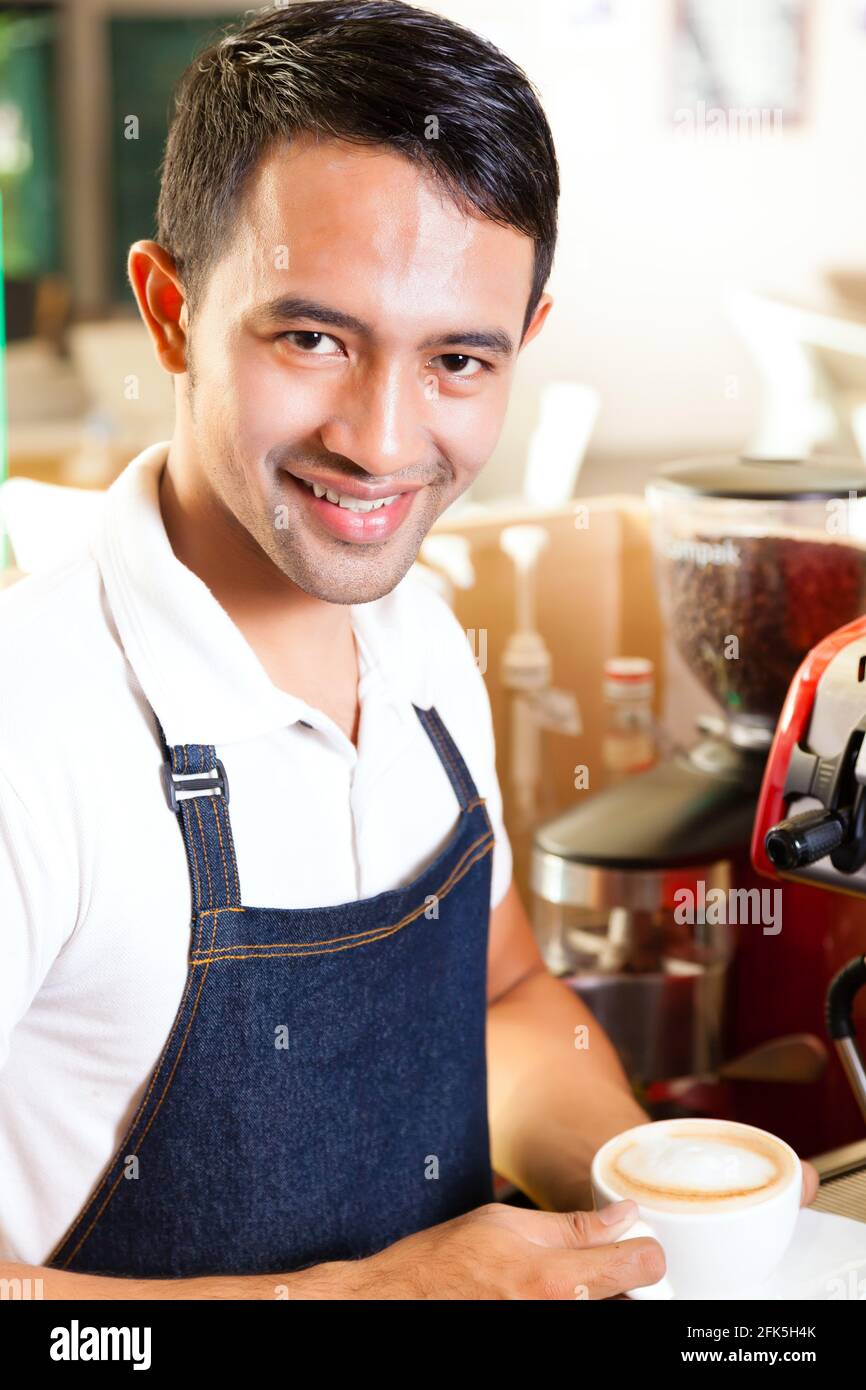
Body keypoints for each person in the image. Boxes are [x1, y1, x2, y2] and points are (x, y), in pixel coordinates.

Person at [0, 0, 817, 1300]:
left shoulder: (423, 638)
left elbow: (499, 1004)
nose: (382, 442)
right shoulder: (31, 728)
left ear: (522, 346)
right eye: (312, 337)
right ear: (169, 312)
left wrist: (649, 1216)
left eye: (455, 360)